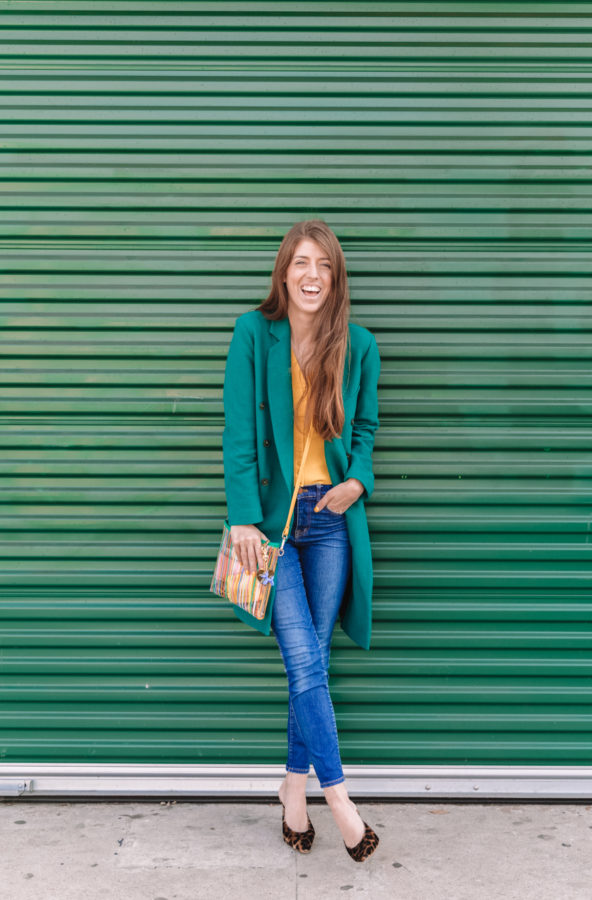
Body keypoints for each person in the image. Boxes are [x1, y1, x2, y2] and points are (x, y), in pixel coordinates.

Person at [221, 219, 381, 862]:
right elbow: (237, 434)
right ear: (283, 272)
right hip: (270, 523)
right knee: (305, 659)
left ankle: (292, 789)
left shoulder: (359, 345)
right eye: (300, 263)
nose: (312, 275)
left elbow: (365, 426)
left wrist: (357, 482)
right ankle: (339, 798)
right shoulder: (253, 335)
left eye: (324, 265)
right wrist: (241, 520)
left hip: (331, 516)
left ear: (335, 277)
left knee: (311, 658)